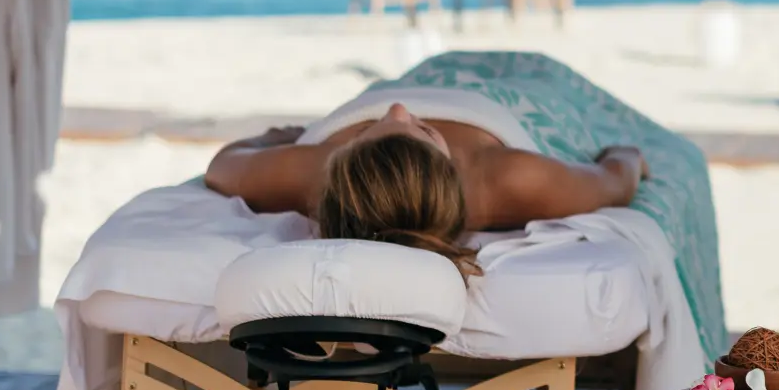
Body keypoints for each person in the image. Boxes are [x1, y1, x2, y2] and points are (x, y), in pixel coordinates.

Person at [205, 102, 649, 276]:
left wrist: (279, 136)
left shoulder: (313, 170)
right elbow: (617, 178)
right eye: (424, 130)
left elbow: (223, 164)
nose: (398, 108)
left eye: (365, 133)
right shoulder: (511, 179)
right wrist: (628, 154)